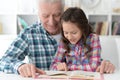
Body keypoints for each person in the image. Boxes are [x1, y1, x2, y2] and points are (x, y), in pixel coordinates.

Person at [0, 0, 115, 78]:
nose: (52, 22)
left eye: (57, 15)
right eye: (45, 16)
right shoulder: (29, 34)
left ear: (64, 11)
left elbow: (90, 60)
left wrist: (105, 64)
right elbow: (3, 61)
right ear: (38, 13)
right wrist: (20, 66)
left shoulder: (77, 33)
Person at [50, 7, 101, 72]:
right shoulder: (64, 41)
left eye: (74, 33)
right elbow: (52, 66)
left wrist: (68, 67)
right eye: (66, 32)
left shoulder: (93, 39)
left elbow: (94, 67)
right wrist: (58, 67)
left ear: (83, 29)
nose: (69, 37)